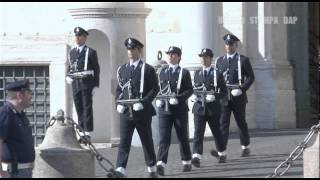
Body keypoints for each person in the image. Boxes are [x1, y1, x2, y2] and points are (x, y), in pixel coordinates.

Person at [115, 37, 159, 178]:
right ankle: (120, 169)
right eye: (128, 49)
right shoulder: (122, 69)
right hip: (126, 111)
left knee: (146, 140)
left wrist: (144, 102)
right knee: (124, 141)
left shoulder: (147, 69)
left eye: (133, 49)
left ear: (139, 51)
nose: (130, 52)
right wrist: (118, 104)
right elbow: (119, 90)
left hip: (142, 111)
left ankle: (152, 168)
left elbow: (154, 89)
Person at [213, 34, 255, 157]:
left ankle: (245, 146)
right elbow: (216, 79)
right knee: (223, 123)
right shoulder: (219, 61)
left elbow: (251, 77)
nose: (228, 46)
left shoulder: (243, 60)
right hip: (224, 96)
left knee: (241, 122)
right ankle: (221, 151)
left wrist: (242, 89)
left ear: (236, 45)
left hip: (238, 96)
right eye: (226, 44)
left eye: (231, 44)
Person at [155, 46, 193, 176]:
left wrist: (180, 98)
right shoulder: (162, 72)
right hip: (164, 110)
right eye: (169, 54)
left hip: (179, 109)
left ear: (179, 57)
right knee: (164, 138)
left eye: (173, 54)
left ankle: (187, 161)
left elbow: (189, 90)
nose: (170, 56)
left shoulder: (184, 72)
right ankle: (160, 163)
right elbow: (157, 88)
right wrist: (158, 99)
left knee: (182, 137)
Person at [190, 48, 227, 167]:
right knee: (198, 133)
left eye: (206, 57)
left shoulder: (217, 73)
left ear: (211, 59)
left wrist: (215, 96)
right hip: (199, 108)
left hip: (213, 108)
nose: (203, 59)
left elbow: (224, 92)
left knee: (217, 132)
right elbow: (194, 89)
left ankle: (221, 153)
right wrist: (193, 97)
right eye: (201, 57)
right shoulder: (197, 73)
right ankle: (196, 156)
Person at [66, 27, 100, 142]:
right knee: (78, 107)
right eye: (76, 36)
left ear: (85, 38)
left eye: (80, 36)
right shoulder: (72, 52)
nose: (77, 38)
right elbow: (70, 67)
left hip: (86, 83)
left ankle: (87, 132)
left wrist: (95, 85)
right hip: (75, 83)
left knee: (87, 107)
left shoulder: (90, 52)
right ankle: (81, 132)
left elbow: (96, 69)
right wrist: (68, 76)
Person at [0, 79, 35, 178]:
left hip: (23, 172)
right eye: (29, 93)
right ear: (20, 95)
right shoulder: (5, 113)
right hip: (12, 173)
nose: (31, 96)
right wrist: (0, 172)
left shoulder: (20, 115)